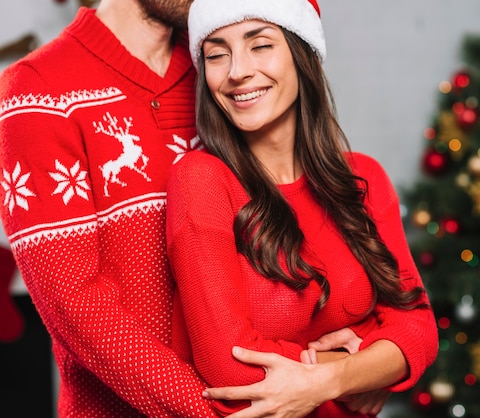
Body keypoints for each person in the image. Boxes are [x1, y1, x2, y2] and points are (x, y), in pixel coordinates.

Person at [1, 0, 343, 416]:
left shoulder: (222, 71)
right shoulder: (37, 89)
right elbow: (78, 309)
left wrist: (341, 372)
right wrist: (240, 410)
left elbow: (293, 232)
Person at [166, 0, 439, 416]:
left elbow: (418, 329)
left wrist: (331, 379)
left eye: (260, 45)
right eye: (217, 54)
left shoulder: (362, 179)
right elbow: (229, 367)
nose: (237, 70)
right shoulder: (201, 179)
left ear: (302, 54)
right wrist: (360, 364)